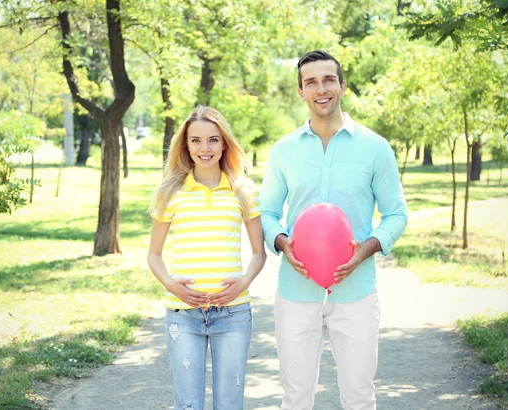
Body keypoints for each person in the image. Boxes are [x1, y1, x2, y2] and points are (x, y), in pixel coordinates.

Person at [259, 50, 408, 409]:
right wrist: (281, 242)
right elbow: (266, 211)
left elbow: (396, 214)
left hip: (356, 294)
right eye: (310, 82)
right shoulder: (283, 151)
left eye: (328, 80)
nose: (320, 88)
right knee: (295, 396)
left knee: (358, 396)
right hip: (296, 293)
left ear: (342, 86)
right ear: (300, 92)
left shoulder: (376, 148)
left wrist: (367, 248)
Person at [147, 105, 266, 410]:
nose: (205, 148)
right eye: (196, 140)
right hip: (182, 315)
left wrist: (244, 283)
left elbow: (258, 253)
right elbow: (154, 255)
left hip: (233, 315)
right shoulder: (170, 192)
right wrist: (171, 285)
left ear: (224, 143)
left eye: (213, 140)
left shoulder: (243, 191)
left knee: (229, 404)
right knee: (189, 405)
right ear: (186, 145)